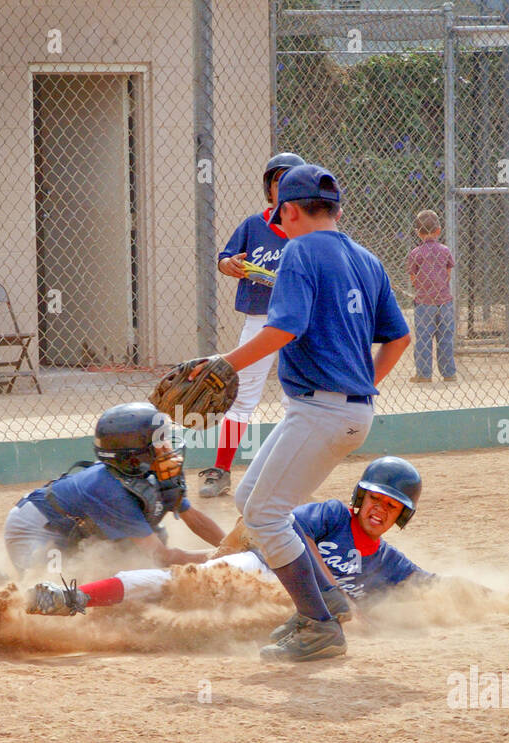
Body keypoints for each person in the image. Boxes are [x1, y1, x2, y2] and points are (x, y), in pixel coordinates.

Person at [205, 163, 412, 662]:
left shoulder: (298, 249)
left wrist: (222, 366)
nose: (283, 225)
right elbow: (399, 337)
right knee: (253, 497)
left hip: (321, 411)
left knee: (265, 515)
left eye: (283, 216)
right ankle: (330, 597)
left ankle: (318, 625)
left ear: (292, 211)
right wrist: (362, 388)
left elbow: (284, 329)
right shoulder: (367, 258)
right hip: (335, 410)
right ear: (336, 210)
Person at [26, 457, 433, 623]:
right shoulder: (332, 515)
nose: (379, 511)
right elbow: (295, 532)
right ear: (360, 499)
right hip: (260, 570)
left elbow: (430, 586)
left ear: (401, 517)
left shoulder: (388, 560)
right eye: (375, 501)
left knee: (179, 614)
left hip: (274, 609)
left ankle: (112, 618)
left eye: (391, 507)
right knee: (182, 583)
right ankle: (72, 598)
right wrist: (330, 591)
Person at [1, 402, 226, 576]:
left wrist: (232, 545)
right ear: (136, 457)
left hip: (76, 529)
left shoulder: (146, 473)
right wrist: (223, 558)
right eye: (160, 444)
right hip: (37, 527)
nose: (169, 449)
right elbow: (163, 556)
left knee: (143, 556)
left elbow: (194, 519)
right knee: (51, 589)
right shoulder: (110, 490)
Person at [199, 151, 306, 499]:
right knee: (241, 400)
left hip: (301, 324)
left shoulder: (309, 231)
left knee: (297, 401)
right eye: (277, 181)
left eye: (290, 181)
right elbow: (225, 258)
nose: (282, 187)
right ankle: (222, 469)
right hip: (260, 321)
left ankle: (290, 474)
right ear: (269, 188)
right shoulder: (253, 225)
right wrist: (227, 264)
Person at [407, 209, 456, 384]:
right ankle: (449, 373)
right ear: (439, 231)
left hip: (424, 302)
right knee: (445, 338)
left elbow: (413, 277)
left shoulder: (415, 253)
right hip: (445, 301)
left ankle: (424, 374)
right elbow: (448, 271)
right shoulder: (445, 250)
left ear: (418, 233)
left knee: (423, 338)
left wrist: (422, 286)